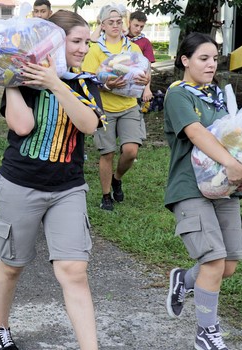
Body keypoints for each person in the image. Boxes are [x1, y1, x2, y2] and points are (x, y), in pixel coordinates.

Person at [0, 10, 102, 350]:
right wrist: (14, 83)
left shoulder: (85, 83)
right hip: (20, 184)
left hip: (68, 189)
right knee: (11, 265)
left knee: (74, 271)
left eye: (86, 42)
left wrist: (56, 83)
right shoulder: (20, 82)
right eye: (76, 41)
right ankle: (0, 327)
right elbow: (22, 127)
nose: (83, 48)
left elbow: (88, 125)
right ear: (53, 42)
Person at [162, 32, 242, 350]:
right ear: (185, 60)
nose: (211, 64)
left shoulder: (217, 96)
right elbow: (196, 133)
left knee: (227, 265)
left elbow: (235, 139)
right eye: (203, 58)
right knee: (214, 262)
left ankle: (184, 281)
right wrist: (230, 163)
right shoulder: (179, 95)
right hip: (191, 188)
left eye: (215, 58)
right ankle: (206, 334)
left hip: (225, 190)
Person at [81, 3, 152, 211]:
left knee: (131, 151)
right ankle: (106, 196)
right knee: (108, 153)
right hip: (105, 108)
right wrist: (106, 84)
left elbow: (145, 70)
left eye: (118, 22)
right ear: (102, 25)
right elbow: (87, 78)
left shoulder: (133, 47)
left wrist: (145, 80)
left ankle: (117, 178)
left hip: (129, 105)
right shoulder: (94, 50)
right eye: (110, 22)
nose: (115, 25)